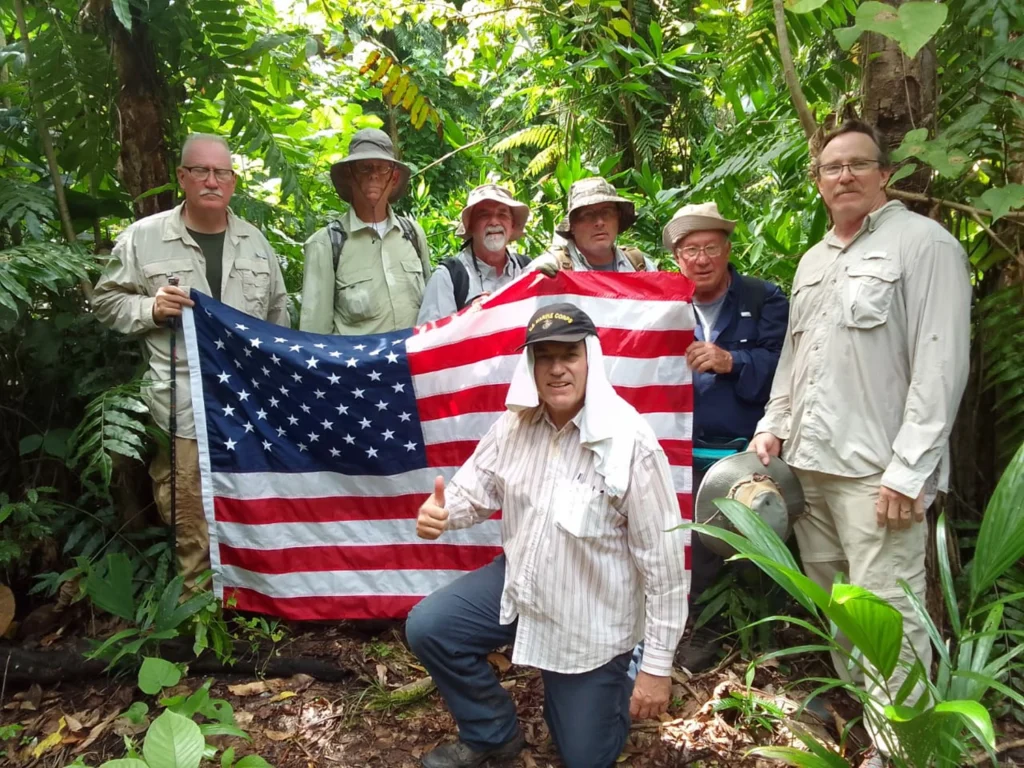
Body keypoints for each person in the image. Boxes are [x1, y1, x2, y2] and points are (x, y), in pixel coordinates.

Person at [749, 119, 971, 768]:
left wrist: (910, 471)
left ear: (884, 174)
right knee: (841, 610)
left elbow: (941, 365)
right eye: (830, 166)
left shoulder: (924, 246)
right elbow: (795, 359)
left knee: (890, 621)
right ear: (818, 182)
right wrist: (773, 422)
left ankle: (902, 753)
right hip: (810, 472)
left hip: (879, 477)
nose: (843, 175)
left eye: (856, 164)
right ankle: (865, 723)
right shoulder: (814, 260)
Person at [406, 303, 689, 768]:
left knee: (582, 756)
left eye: (569, 355)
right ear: (531, 366)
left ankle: (627, 662)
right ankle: (491, 732)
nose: (557, 369)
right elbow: (473, 491)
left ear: (590, 360)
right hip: (523, 584)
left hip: (591, 621)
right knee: (431, 627)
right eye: (544, 357)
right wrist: (443, 512)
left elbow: (664, 568)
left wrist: (657, 670)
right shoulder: (515, 425)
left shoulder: (631, 444)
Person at [93, 133, 290, 587]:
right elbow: (105, 303)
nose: (211, 181)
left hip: (247, 403)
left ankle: (251, 598)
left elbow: (278, 319)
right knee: (189, 505)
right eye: (200, 171)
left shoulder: (256, 244)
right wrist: (149, 309)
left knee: (249, 498)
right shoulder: (145, 238)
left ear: (233, 182)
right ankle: (197, 608)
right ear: (182, 177)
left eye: (221, 172)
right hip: (183, 402)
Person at [662, 202, 789, 602]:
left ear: (728, 250)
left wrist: (732, 361)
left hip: (746, 453)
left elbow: (787, 366)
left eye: (711, 248)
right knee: (690, 545)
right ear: (677, 258)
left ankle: (751, 623)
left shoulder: (763, 297)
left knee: (752, 544)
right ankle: (697, 621)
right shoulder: (664, 306)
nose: (702, 260)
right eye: (691, 251)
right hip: (679, 451)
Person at [299, 128, 431, 335]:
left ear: (394, 178)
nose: (374, 176)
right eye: (364, 168)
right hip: (357, 367)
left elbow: (431, 312)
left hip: (411, 364)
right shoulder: (326, 244)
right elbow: (315, 335)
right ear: (349, 176)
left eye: (382, 169)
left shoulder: (412, 234)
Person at [417, 184, 531, 323]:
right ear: (470, 226)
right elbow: (429, 339)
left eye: (502, 214)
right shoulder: (449, 277)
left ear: (512, 225)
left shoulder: (527, 270)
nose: (494, 222)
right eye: (484, 215)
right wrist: (467, 318)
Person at [531, 177, 655, 274]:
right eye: (588, 215)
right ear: (572, 225)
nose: (600, 222)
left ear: (618, 218)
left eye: (607, 212)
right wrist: (537, 283)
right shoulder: (550, 268)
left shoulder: (640, 265)